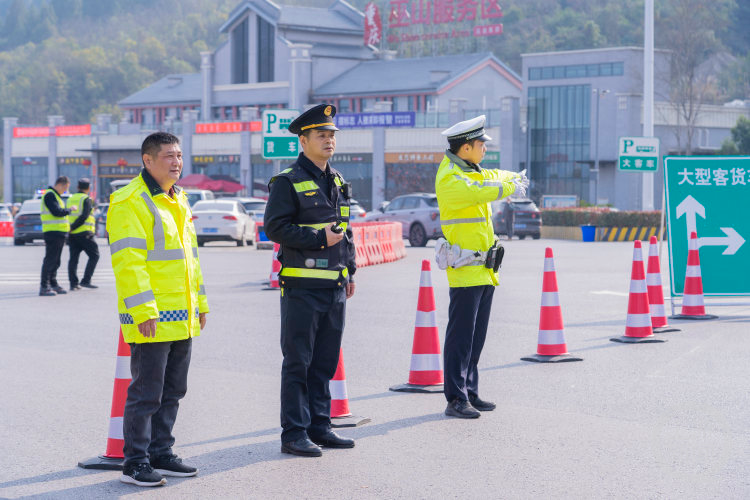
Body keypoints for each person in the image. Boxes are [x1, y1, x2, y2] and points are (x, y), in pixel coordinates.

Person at [107, 132, 209, 487]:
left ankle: (161, 452)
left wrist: (201, 304)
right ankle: (134, 462)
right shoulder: (129, 201)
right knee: (146, 393)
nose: (176, 162)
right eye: (168, 156)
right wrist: (144, 310)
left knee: (173, 391)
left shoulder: (178, 199)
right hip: (151, 318)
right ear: (147, 160)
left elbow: (189, 261)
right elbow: (128, 262)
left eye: (179, 155)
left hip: (182, 316)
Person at [264, 103, 357, 457]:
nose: (329, 140)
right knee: (299, 362)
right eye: (321, 135)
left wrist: (350, 269)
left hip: (334, 286)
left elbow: (346, 231)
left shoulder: (337, 181)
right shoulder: (287, 181)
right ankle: (294, 433)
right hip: (302, 287)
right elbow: (275, 228)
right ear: (303, 141)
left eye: (332, 134)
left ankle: (321, 425)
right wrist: (320, 238)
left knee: (325, 362)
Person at [434, 115, 528, 419]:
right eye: (480, 145)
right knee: (461, 337)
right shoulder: (450, 177)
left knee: (476, 338)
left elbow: (493, 175)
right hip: (464, 270)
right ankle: (455, 398)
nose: (484, 149)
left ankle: (470, 391)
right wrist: (511, 187)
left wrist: (513, 176)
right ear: (465, 148)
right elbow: (480, 192)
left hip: (484, 268)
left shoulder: (471, 170)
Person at [40, 176, 76, 296]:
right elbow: (56, 212)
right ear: (60, 184)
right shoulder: (50, 195)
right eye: (65, 188)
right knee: (50, 260)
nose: (65, 190)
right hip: (53, 232)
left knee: (55, 261)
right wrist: (69, 210)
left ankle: (53, 284)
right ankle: (44, 286)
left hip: (58, 233)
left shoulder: (55, 195)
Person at [67, 178, 100, 290]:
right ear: (88, 188)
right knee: (94, 255)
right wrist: (73, 227)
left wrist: (70, 228)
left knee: (73, 259)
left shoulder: (70, 199)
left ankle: (73, 284)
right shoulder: (86, 199)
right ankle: (86, 280)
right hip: (84, 233)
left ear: (77, 187)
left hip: (73, 235)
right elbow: (84, 216)